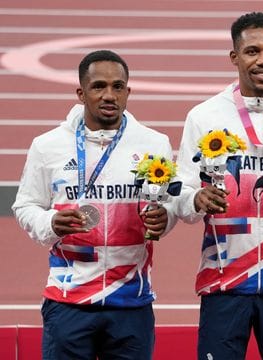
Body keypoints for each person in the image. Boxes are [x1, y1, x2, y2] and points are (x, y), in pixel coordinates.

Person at [172, 12, 263, 360]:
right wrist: (196, 199)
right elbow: (179, 196)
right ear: (235, 57)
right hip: (223, 281)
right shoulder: (204, 116)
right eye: (252, 51)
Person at [12, 50, 175, 359]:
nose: (109, 95)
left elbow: (168, 206)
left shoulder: (155, 143)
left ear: (128, 92)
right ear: (81, 92)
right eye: (99, 86)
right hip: (68, 301)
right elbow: (25, 205)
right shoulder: (48, 146)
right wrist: (48, 223)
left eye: (118, 87)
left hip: (131, 301)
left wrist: (164, 219)